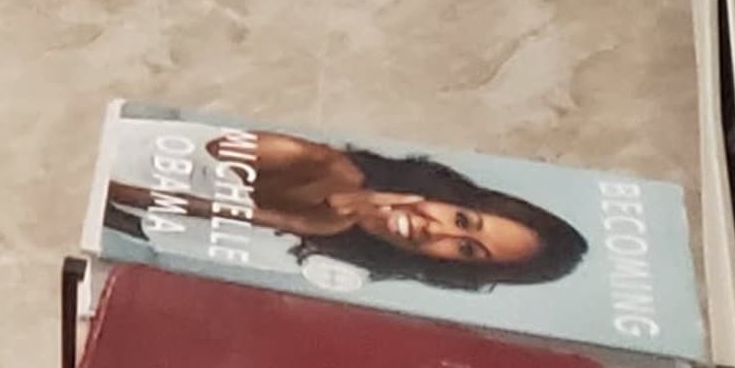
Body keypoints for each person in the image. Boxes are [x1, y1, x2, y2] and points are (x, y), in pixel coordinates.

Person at [103, 128, 589, 298]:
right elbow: (129, 190)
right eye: (462, 220)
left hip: (122, 233)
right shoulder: (320, 163)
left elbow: (160, 240)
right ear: (452, 198)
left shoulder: (349, 275)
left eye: (464, 249)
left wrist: (297, 224)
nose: (434, 228)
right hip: (110, 169)